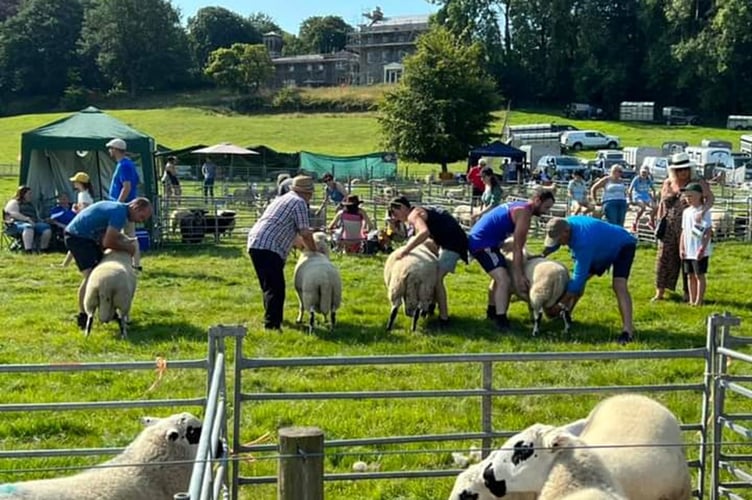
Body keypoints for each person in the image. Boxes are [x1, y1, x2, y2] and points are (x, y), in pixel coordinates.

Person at [542, 216, 638, 345]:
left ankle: (628, 331)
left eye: (559, 239)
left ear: (566, 232)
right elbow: (556, 243)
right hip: (600, 246)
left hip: (623, 245)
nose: (559, 242)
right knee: (579, 281)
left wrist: (558, 304)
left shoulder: (583, 242)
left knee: (619, 285)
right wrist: (542, 255)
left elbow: (578, 280)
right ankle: (565, 315)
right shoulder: (564, 224)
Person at [467, 191, 555, 331]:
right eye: (546, 207)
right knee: (504, 280)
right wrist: (519, 276)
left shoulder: (520, 206)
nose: (546, 211)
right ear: (537, 200)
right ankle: (501, 321)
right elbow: (517, 247)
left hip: (486, 241)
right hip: (483, 244)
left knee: (499, 276)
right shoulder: (524, 213)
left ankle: (492, 312)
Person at [64, 198, 153, 330]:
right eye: (141, 216)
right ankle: (83, 315)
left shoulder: (119, 209)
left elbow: (110, 238)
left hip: (84, 236)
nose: (141, 221)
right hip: (78, 237)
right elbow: (108, 242)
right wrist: (129, 249)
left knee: (100, 273)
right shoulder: (119, 214)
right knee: (92, 276)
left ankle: (108, 311)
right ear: (135, 207)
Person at [247, 176, 320, 331]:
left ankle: (272, 318)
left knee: (268, 286)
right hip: (269, 245)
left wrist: (302, 246)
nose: (311, 197)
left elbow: (290, 231)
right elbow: (305, 232)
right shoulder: (299, 203)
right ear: (306, 193)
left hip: (257, 242)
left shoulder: (284, 198)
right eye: (310, 193)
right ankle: (272, 325)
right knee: (276, 288)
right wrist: (314, 251)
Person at [388, 196, 469, 326]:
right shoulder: (417, 211)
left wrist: (405, 251)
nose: (395, 217)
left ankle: (444, 318)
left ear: (402, 207)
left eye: (395, 212)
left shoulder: (413, 215)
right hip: (449, 242)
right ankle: (430, 307)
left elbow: (424, 233)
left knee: (436, 279)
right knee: (433, 275)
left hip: (453, 244)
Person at [653, 152, 714, 302]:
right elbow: (662, 204)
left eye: (685, 168)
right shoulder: (668, 183)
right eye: (679, 169)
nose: (683, 172)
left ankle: (689, 294)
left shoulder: (697, 182)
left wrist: (702, 211)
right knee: (664, 259)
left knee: (688, 259)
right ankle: (660, 291)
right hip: (669, 226)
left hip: (689, 226)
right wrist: (657, 222)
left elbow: (710, 198)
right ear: (674, 171)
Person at [106, 138, 143, 270]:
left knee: (128, 235)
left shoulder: (124, 165)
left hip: (124, 205)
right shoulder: (128, 163)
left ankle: (135, 263)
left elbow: (126, 187)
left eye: (111, 148)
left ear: (115, 150)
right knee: (127, 234)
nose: (109, 151)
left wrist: (118, 204)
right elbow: (136, 182)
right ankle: (132, 262)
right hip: (128, 203)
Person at [679, 183, 712, 306]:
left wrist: (702, 248)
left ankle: (699, 300)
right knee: (689, 275)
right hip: (688, 249)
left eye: (691, 196)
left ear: (699, 196)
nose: (688, 198)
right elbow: (684, 231)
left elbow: (708, 231)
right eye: (686, 196)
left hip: (699, 249)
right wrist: (681, 247)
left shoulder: (704, 212)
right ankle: (692, 300)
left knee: (699, 275)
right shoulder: (686, 212)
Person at [3, 185, 52, 253]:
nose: (31, 195)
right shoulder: (14, 202)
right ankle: (28, 250)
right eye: (29, 193)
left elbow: (36, 217)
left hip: (33, 223)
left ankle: (43, 249)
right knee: (28, 227)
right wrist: (27, 219)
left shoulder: (31, 204)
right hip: (15, 224)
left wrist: (43, 220)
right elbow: (13, 213)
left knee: (46, 228)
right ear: (23, 194)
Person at [628, 165, 656, 232]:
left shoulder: (648, 179)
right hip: (637, 195)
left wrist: (654, 197)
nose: (644, 174)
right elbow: (630, 190)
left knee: (655, 207)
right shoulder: (636, 179)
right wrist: (630, 199)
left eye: (645, 173)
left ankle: (651, 221)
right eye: (643, 172)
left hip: (646, 196)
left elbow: (653, 189)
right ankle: (635, 222)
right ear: (640, 172)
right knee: (643, 207)